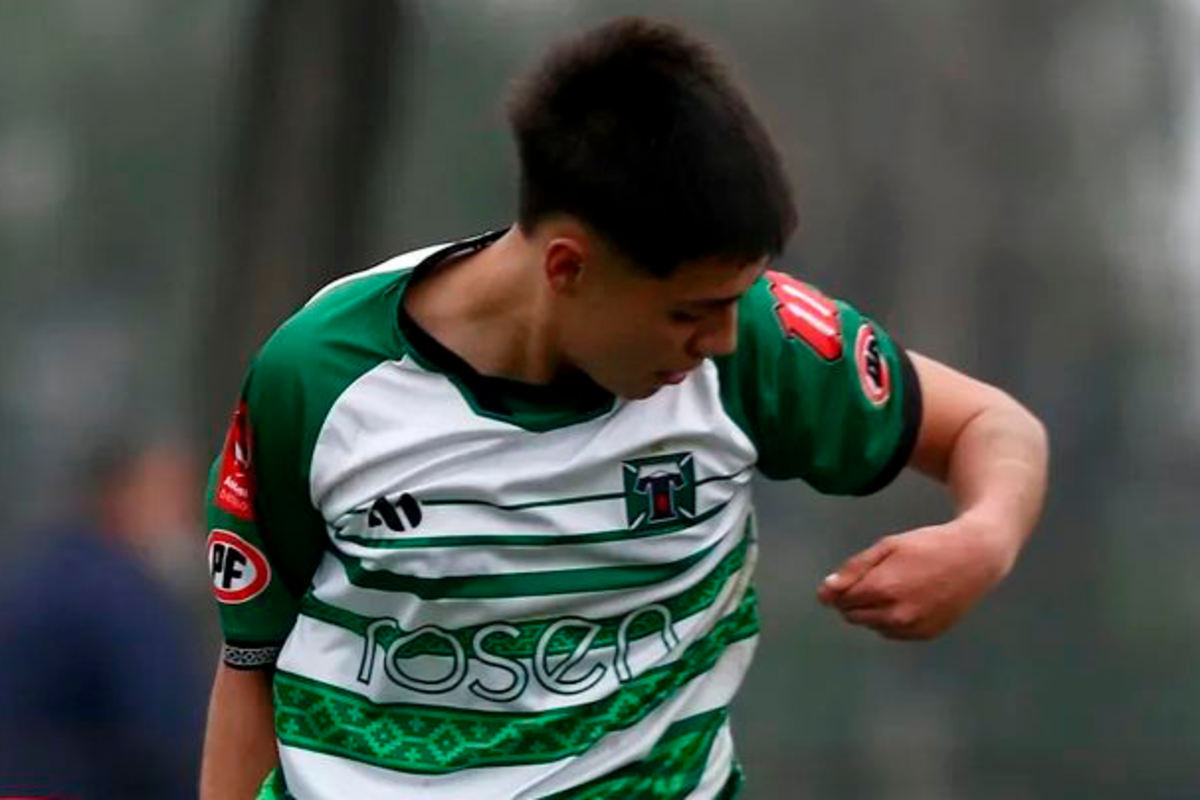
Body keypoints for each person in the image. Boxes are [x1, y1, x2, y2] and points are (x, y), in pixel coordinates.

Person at [199, 17, 1048, 800]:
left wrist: (985, 537)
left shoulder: (759, 341)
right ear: (568, 268)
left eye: (733, 301)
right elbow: (252, 666)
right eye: (688, 313)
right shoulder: (319, 376)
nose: (718, 340)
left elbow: (992, 427)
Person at [0, 439, 208, 798]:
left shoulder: (36, 571)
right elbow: (167, 732)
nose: (188, 521)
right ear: (123, 497)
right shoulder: (123, 594)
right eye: (174, 501)